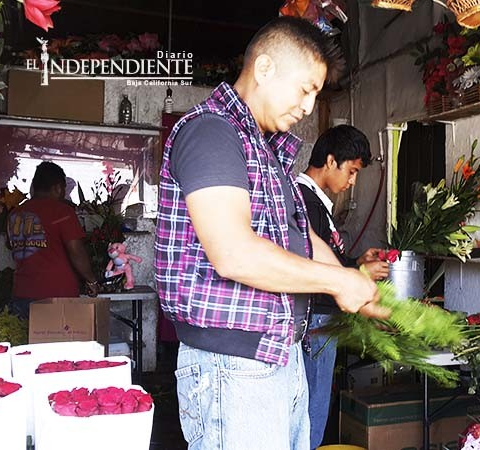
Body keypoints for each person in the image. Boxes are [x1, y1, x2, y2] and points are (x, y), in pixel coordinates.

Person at [155, 17, 388, 450]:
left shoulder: (264, 150)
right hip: (232, 367)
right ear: (264, 69)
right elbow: (234, 253)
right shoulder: (212, 132)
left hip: (278, 356)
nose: (308, 107)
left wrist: (353, 283)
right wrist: (338, 282)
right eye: (305, 89)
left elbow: (302, 236)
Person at [298, 125, 389, 448]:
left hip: (321, 321)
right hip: (316, 321)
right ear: (330, 161)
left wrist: (355, 262)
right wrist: (358, 272)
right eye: (351, 172)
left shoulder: (316, 203)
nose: (352, 182)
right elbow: (311, 268)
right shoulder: (306, 203)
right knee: (311, 413)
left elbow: (325, 258)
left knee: (313, 409)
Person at [6, 161, 98, 319]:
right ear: (58, 188)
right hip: (57, 294)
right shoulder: (62, 212)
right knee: (57, 336)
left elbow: (10, 245)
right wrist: (91, 281)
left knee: (25, 334)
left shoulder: (15, 214)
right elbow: (76, 251)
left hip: (22, 292)